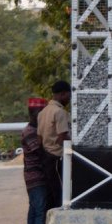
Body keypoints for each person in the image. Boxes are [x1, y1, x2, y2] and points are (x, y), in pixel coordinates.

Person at [21, 97, 49, 224]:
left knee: (33, 211)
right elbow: (40, 153)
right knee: (39, 211)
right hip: (36, 176)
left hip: (31, 177)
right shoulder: (31, 132)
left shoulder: (30, 130)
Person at [39, 79, 71, 208]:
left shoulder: (43, 112)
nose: (69, 100)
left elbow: (39, 138)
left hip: (46, 156)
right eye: (68, 96)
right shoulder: (60, 112)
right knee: (62, 194)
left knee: (52, 193)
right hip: (57, 158)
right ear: (63, 94)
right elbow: (61, 137)